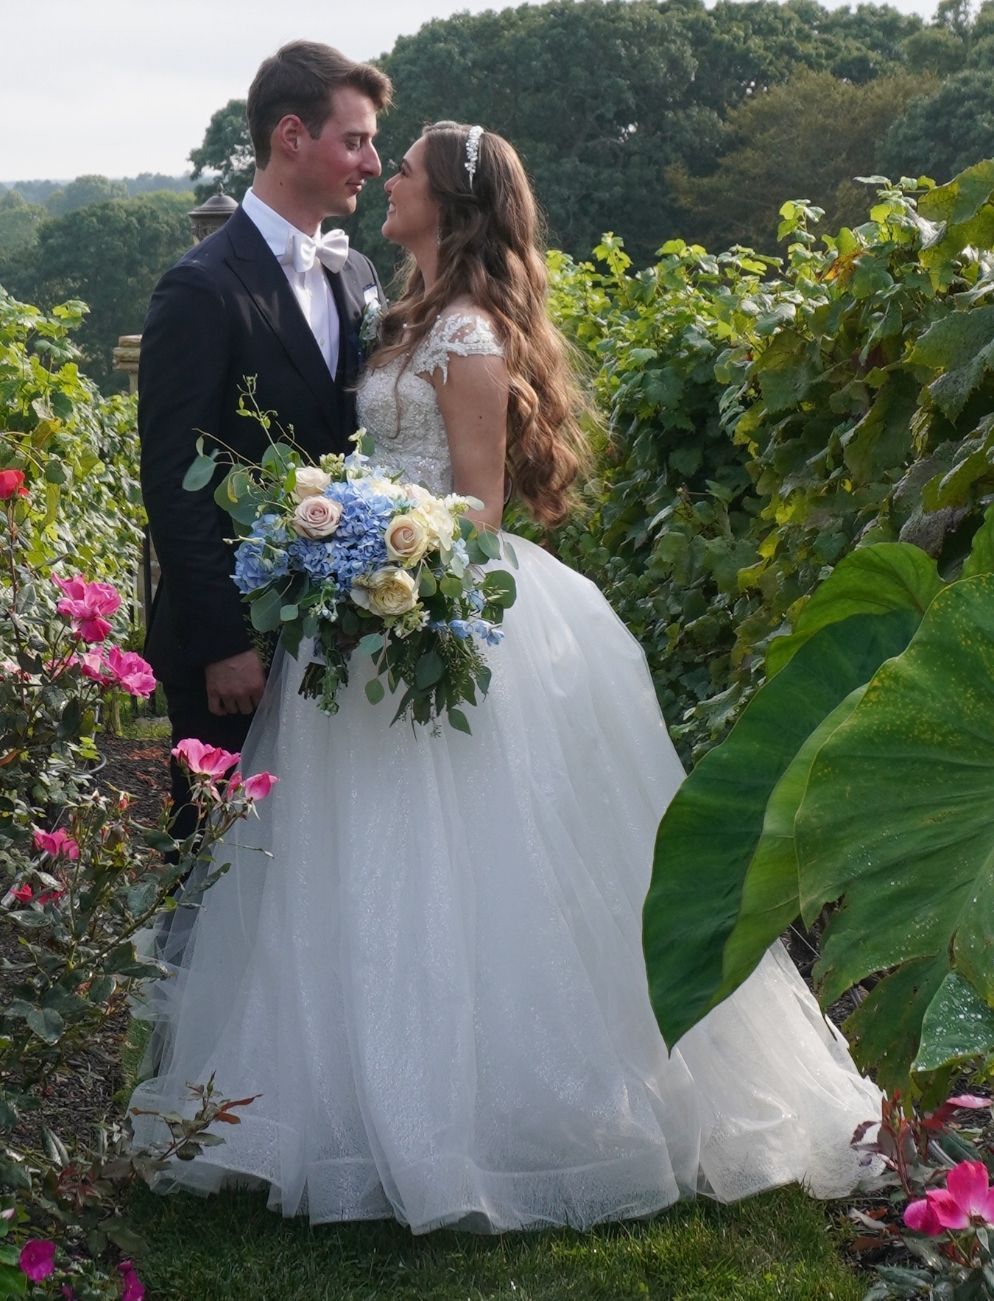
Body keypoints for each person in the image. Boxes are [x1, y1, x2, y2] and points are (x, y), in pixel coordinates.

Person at [130, 123, 881, 1232]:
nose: (387, 179)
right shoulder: (400, 310)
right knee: (346, 859)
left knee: (473, 861)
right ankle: (338, 1095)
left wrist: (395, 545)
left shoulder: (470, 332)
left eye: (406, 170)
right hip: (364, 615)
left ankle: (491, 1108)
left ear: (451, 201)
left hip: (444, 608)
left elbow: (479, 502)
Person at [138, 41, 392, 838]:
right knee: (218, 870)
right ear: (292, 137)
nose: (374, 162)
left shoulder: (358, 277)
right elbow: (173, 476)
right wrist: (222, 644)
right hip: (232, 652)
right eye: (355, 140)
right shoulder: (200, 286)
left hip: (334, 638)